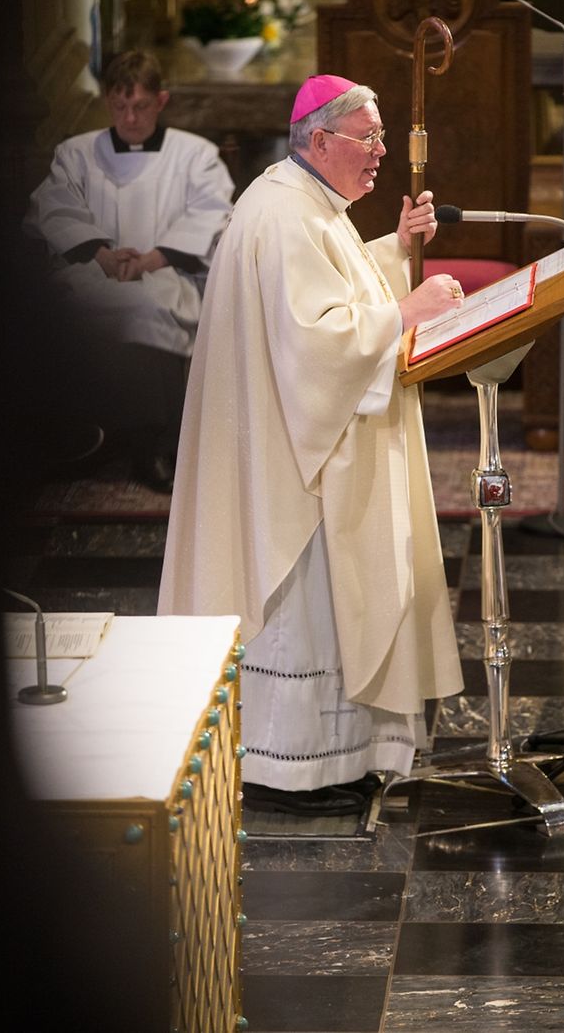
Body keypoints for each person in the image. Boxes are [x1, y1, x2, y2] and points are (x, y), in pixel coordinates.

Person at [157, 74, 465, 816]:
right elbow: (317, 343)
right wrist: (407, 310)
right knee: (305, 611)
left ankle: (338, 759)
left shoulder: (301, 203)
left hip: (301, 448)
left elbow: (336, 290)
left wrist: (398, 248)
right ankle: (291, 767)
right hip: (294, 471)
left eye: (383, 138)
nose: (381, 153)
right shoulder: (287, 215)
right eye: (368, 139)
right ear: (319, 140)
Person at [23, 49, 235, 491]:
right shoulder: (77, 153)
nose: (130, 117)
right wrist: (100, 253)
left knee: (148, 307)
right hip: (94, 268)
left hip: (168, 272)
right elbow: (54, 208)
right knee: (71, 313)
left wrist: (154, 259)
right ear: (107, 101)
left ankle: (156, 441)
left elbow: (214, 213)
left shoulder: (195, 156)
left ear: (161, 101)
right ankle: (86, 434)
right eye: (119, 107)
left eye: (140, 106)